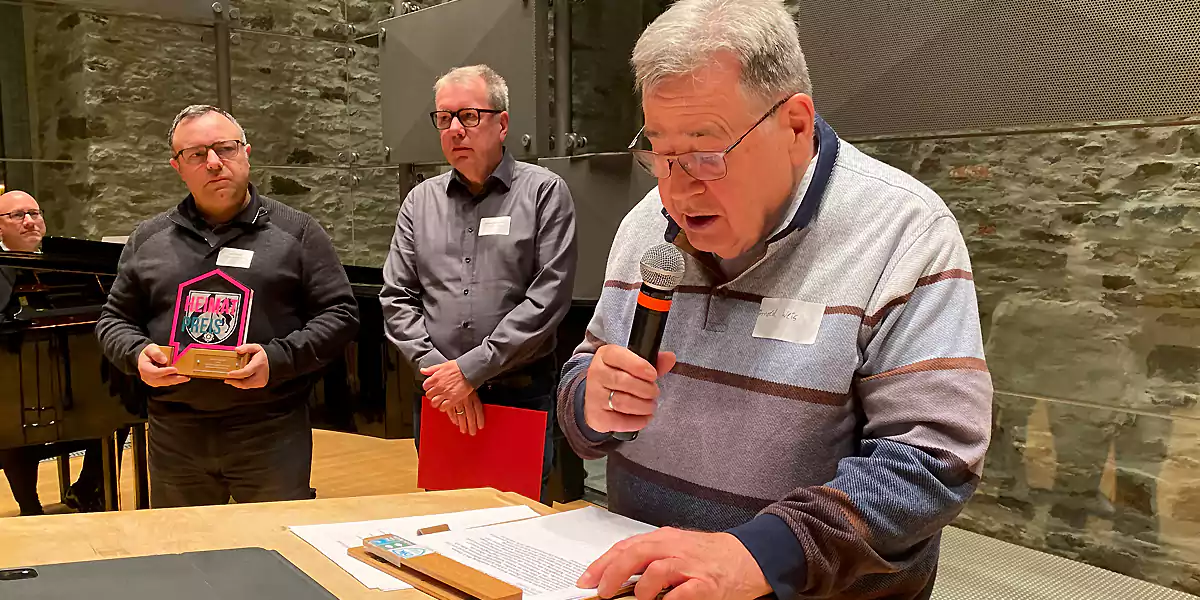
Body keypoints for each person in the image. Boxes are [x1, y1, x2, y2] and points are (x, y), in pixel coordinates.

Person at [557, 1, 993, 598]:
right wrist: (591, 403)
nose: (676, 187)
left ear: (793, 124)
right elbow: (584, 383)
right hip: (645, 581)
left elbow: (932, 462)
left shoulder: (903, 230)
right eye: (658, 150)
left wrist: (757, 556)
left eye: (706, 153)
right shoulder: (642, 227)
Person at [95, 105, 359, 508]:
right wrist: (136, 353)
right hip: (175, 433)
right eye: (197, 154)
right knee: (186, 556)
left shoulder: (298, 232)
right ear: (177, 167)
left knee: (277, 550)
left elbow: (341, 313)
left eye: (225, 148)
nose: (214, 163)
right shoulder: (148, 239)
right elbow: (114, 319)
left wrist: (277, 358)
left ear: (246, 153)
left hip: (269, 430)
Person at [380, 65, 577, 498]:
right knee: (445, 517)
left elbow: (548, 297)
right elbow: (397, 297)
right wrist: (444, 377)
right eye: (444, 118)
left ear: (502, 123)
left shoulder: (544, 192)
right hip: (439, 397)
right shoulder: (420, 201)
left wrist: (470, 371)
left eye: (468, 116)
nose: (454, 129)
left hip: (518, 394)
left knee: (518, 523)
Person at [0, 190, 126, 515]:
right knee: (11, 426)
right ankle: (30, 509)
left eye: (34, 213)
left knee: (118, 410)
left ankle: (86, 490)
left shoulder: (62, 264)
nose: (30, 222)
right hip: (11, 372)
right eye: (17, 215)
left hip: (68, 364)